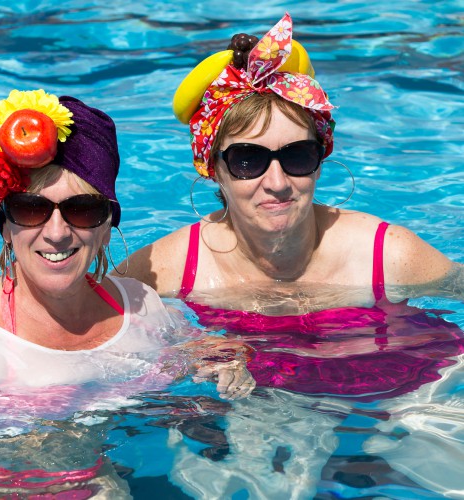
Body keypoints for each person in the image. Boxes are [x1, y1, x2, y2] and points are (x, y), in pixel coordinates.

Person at [114, 14, 464, 498]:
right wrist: (182, 352)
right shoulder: (165, 271)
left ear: (321, 156)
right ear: (212, 168)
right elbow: (95, 350)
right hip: (258, 404)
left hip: (399, 387)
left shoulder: (389, 255)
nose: (277, 183)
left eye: (297, 156)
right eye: (248, 161)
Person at [0, 89, 254, 496]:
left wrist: (223, 363)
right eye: (32, 209)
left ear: (106, 226)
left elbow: (199, 356)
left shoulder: (142, 307)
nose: (57, 232)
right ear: (5, 227)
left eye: (82, 210)